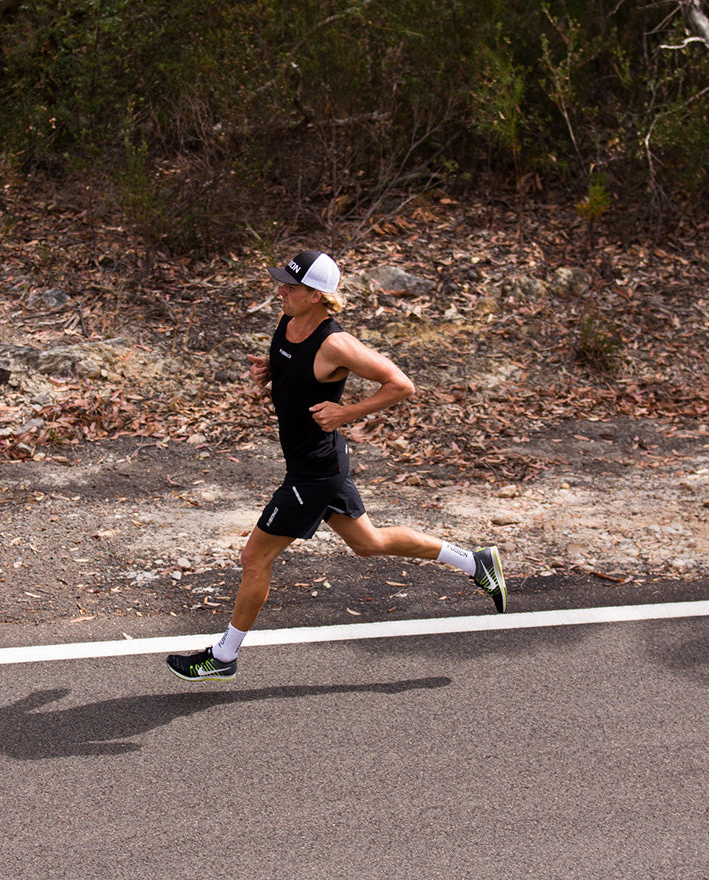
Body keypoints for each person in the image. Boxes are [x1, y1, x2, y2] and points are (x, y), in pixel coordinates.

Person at [167, 249, 507, 680]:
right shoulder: (288, 322)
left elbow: (401, 385)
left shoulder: (336, 343)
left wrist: (347, 413)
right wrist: (272, 370)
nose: (280, 291)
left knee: (254, 558)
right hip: (319, 462)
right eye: (282, 283)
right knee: (369, 543)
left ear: (315, 296)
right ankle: (475, 563)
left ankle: (223, 656)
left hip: (314, 471)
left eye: (289, 287)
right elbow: (299, 368)